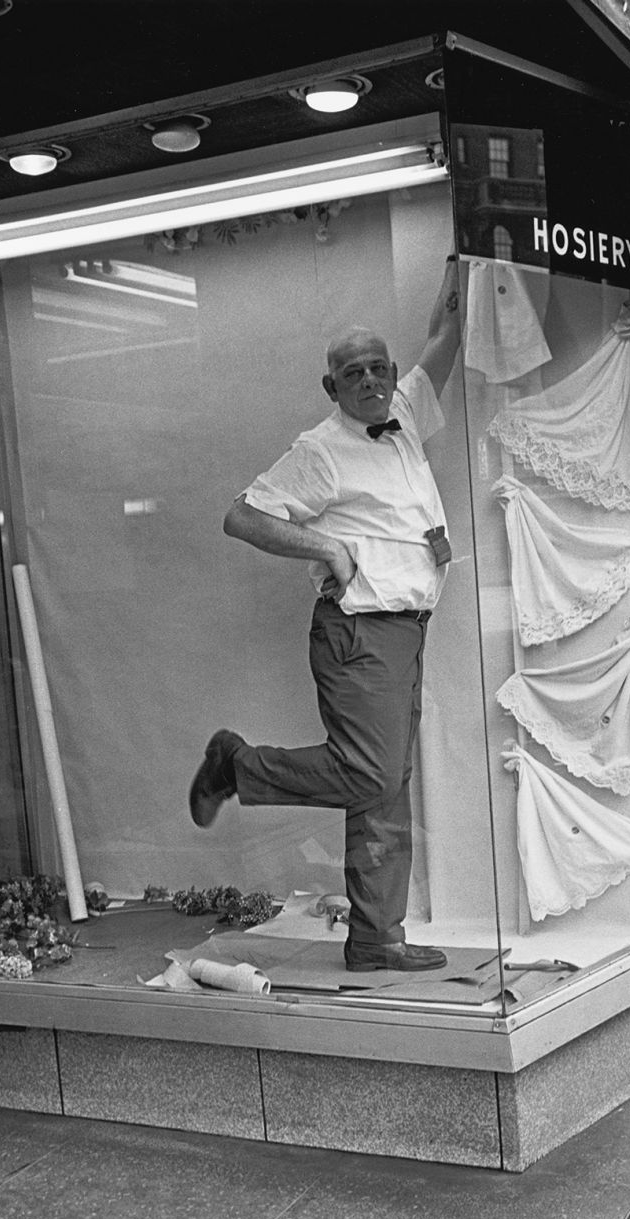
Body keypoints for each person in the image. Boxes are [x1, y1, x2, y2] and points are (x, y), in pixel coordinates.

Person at [188, 257, 462, 974]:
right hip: (359, 633)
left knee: (387, 790)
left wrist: (463, 258)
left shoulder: (403, 414)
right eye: (353, 374)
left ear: (390, 370)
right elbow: (240, 517)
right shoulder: (321, 450)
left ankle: (376, 937)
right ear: (330, 386)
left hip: (406, 631)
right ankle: (237, 766)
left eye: (378, 368)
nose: (369, 381)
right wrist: (329, 549)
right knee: (370, 778)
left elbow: (448, 332)